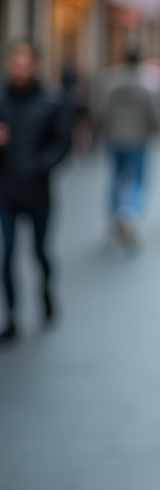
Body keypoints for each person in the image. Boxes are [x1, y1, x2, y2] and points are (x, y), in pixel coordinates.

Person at [0, 39, 72, 341]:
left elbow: (62, 143)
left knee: (39, 251)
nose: (18, 66)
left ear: (35, 64)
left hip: (39, 191)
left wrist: (42, 164)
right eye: (14, 60)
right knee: (8, 253)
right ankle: (13, 316)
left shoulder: (51, 100)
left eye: (24, 60)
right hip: (6, 189)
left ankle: (45, 289)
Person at [93, 48, 160, 248]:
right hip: (138, 140)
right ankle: (129, 214)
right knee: (138, 180)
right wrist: (155, 131)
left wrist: (101, 131)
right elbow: (155, 114)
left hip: (114, 138)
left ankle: (115, 217)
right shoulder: (147, 85)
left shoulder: (109, 81)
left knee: (116, 177)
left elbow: (100, 111)